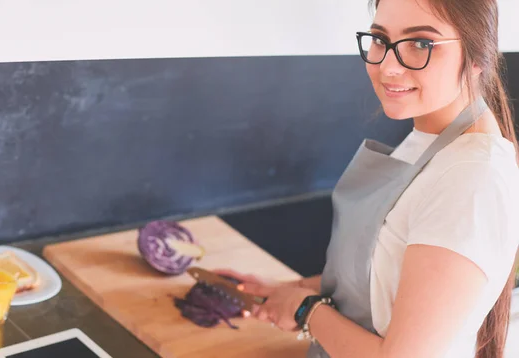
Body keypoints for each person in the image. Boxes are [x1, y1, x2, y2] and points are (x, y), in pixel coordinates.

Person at [216, 0, 519, 357]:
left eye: (420, 43)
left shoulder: (471, 175)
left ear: (477, 56)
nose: (388, 66)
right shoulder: (432, 137)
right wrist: (292, 288)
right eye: (379, 39)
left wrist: (306, 310)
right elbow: (390, 276)